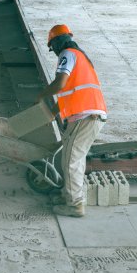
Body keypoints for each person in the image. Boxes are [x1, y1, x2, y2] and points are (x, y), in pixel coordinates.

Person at [35, 24, 106, 218]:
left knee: (71, 161)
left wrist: (41, 95)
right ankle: (69, 195)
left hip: (85, 116)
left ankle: (75, 205)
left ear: (57, 43)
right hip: (88, 115)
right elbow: (70, 92)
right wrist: (53, 111)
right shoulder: (80, 56)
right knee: (73, 158)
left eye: (53, 47)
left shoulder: (67, 53)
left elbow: (60, 83)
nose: (54, 52)